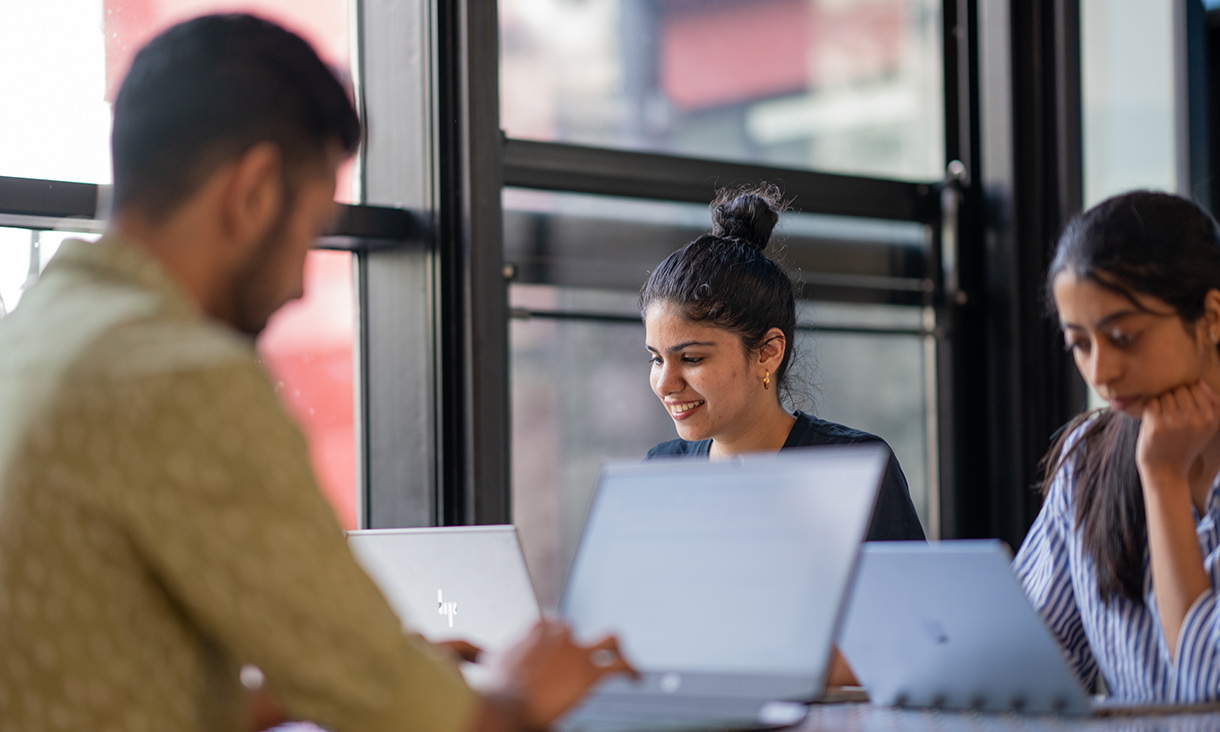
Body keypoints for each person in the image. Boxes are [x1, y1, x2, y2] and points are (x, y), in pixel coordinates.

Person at [0, 14, 631, 732]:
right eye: (308, 232)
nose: (300, 285)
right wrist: (520, 693)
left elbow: (103, 683)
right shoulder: (177, 375)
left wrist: (326, 680)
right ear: (255, 191)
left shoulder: (31, 339)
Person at [1015, 190, 1220, 704]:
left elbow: (1206, 687)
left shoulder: (1155, 467)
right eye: (1080, 344)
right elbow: (1025, 674)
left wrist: (1163, 478)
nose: (1101, 373)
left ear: (1212, 318)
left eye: (1124, 337)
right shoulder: (1089, 457)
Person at [641, 184, 925, 543]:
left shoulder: (853, 467)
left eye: (691, 358)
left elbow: (905, 597)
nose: (665, 384)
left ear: (768, 352)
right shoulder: (661, 471)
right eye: (655, 358)